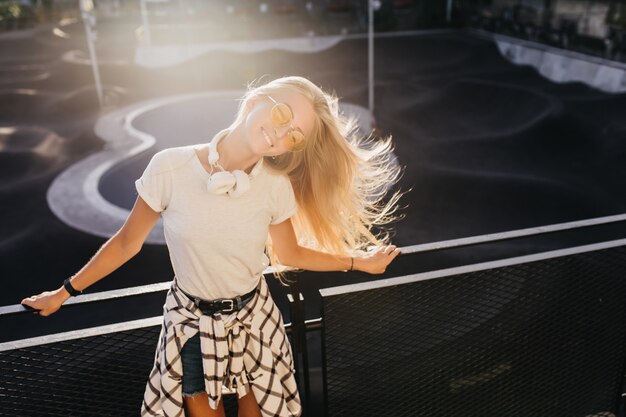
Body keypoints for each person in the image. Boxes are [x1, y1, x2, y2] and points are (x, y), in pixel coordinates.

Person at [20, 76, 403, 417]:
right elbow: (125, 244)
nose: (280, 134)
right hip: (191, 324)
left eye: (294, 135)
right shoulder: (169, 167)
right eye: (283, 114)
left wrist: (358, 262)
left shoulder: (274, 185)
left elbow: (291, 255)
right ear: (255, 101)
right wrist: (63, 294)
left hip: (255, 320)